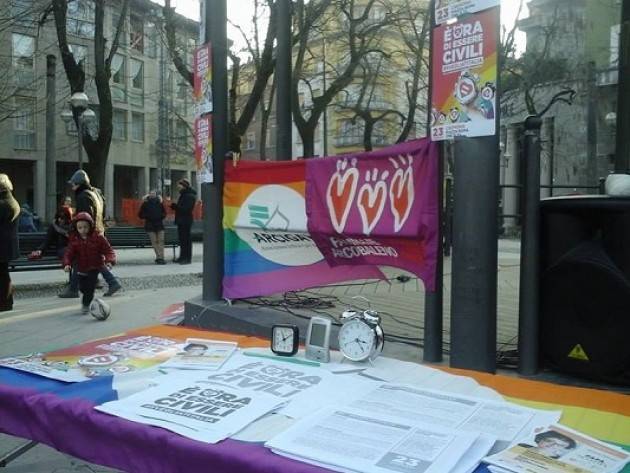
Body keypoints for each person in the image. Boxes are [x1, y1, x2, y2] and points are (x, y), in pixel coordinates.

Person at [66, 169, 122, 297]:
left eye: (74, 184)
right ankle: (110, 282)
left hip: (89, 233)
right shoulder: (96, 193)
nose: (72, 187)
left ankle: (73, 289)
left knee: (78, 258)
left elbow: (84, 217)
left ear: (79, 184)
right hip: (98, 230)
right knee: (95, 260)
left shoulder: (83, 196)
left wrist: (79, 232)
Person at [63, 212, 116, 314]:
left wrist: (109, 261)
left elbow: (108, 250)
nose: (83, 230)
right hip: (81, 267)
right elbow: (68, 253)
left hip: (94, 267)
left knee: (89, 289)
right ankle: (87, 296)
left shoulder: (98, 238)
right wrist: (67, 264)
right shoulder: (74, 240)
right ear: (76, 228)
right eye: (80, 228)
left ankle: (86, 304)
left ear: (90, 226)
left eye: (85, 227)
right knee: (83, 287)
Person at [29, 206, 79, 296]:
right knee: (74, 257)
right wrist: (40, 250)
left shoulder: (73, 226)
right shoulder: (54, 226)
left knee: (78, 258)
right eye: (58, 217)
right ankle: (74, 288)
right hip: (63, 249)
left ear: (68, 218)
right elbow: (47, 241)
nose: (60, 220)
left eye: (63, 218)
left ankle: (74, 287)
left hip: (73, 249)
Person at [0, 174, 20, 312]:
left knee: (2, 275)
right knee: (3, 274)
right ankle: (7, 302)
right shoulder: (11, 200)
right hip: (6, 245)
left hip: (2, 245)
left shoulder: (3, 203)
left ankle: (4, 303)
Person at [170, 178, 197, 265]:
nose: (178, 186)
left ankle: (187, 258)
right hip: (182, 220)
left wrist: (175, 207)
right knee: (182, 240)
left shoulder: (189, 196)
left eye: (180, 185)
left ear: (184, 186)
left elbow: (186, 209)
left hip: (185, 220)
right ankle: (182, 257)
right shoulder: (184, 195)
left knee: (186, 240)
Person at [138, 190, 167, 264]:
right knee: (154, 242)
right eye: (151, 193)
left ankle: (160, 257)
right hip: (150, 225)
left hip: (159, 224)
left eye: (154, 193)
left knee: (161, 241)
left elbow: (164, 212)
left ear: (156, 195)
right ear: (149, 195)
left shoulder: (160, 203)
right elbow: (140, 214)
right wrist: (147, 216)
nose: (152, 195)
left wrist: (161, 216)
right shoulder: (145, 204)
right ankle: (160, 257)